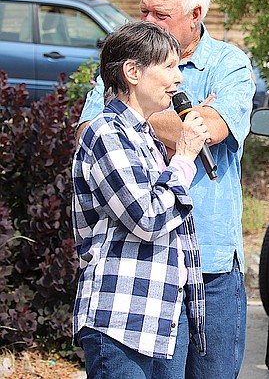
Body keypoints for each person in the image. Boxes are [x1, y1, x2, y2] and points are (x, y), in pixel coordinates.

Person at [77, 0, 256, 378]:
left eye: (161, 15)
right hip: (148, 269)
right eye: (143, 13)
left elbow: (210, 130)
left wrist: (134, 107)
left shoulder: (229, 64)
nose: (148, 23)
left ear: (195, 16)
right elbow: (92, 131)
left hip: (210, 261)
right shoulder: (126, 61)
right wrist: (174, 117)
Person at [72, 21, 209, 377]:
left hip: (157, 318)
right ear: (132, 71)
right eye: (168, 66)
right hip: (120, 320)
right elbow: (148, 218)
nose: (179, 78)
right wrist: (184, 156)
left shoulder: (143, 135)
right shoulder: (107, 133)